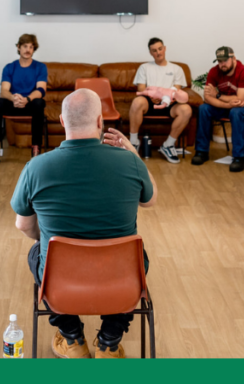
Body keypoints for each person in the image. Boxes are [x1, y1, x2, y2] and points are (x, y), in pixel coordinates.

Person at [11, 89, 156, 358]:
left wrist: (46, 242)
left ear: (62, 122)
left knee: (37, 253)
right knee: (139, 256)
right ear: (100, 121)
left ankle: (72, 338)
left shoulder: (35, 167)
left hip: (60, 281)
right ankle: (109, 342)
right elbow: (149, 200)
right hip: (122, 280)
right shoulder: (130, 163)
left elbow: (23, 225)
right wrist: (133, 154)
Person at [193, 47, 244, 172]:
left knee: (236, 112)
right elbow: (208, 98)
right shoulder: (214, 71)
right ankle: (201, 151)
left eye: (225, 61)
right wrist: (225, 104)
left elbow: (240, 99)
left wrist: (218, 96)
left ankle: (239, 157)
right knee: (204, 109)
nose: (222, 64)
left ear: (234, 58)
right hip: (228, 106)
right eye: (220, 61)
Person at [0, 34, 48, 167]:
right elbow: (4, 90)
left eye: (31, 47)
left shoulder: (40, 67)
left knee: (39, 103)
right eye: (25, 46)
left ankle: (35, 150)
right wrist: (13, 98)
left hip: (30, 103)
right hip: (14, 102)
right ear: (19, 47)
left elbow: (41, 90)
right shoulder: (9, 67)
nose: (28, 50)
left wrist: (27, 99)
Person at [128, 38, 193, 163]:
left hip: (170, 104)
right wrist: (152, 97)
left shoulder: (177, 69)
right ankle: (134, 142)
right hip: (149, 103)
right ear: (150, 53)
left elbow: (177, 91)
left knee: (186, 110)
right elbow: (141, 88)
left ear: (165, 48)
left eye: (160, 49)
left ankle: (168, 145)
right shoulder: (144, 67)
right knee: (137, 101)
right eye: (154, 50)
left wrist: (166, 98)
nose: (158, 52)